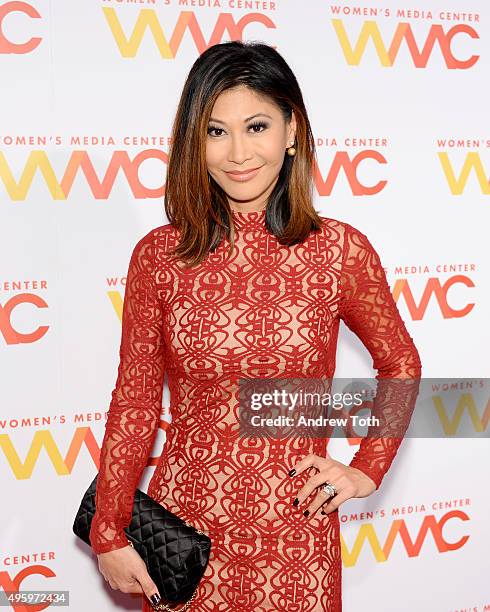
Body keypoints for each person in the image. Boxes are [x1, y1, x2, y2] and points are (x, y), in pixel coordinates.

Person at [88, 41, 422, 611]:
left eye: (257, 126)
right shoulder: (160, 255)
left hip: (297, 537)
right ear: (195, 142)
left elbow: (400, 364)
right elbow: (137, 398)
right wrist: (108, 531)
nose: (238, 153)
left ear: (292, 130)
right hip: (184, 535)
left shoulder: (338, 251)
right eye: (216, 131)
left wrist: (366, 469)